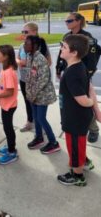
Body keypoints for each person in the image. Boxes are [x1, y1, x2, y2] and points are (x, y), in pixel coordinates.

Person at [57, 34, 95, 186]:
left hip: (75, 119)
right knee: (77, 144)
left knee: (74, 146)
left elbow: (83, 100)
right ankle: (83, 161)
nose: (61, 48)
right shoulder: (78, 65)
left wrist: (91, 102)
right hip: (75, 116)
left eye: (64, 47)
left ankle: (77, 176)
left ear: (74, 53)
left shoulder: (73, 72)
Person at [56, 12, 99, 143]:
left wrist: (87, 76)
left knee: (84, 102)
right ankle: (75, 122)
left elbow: (92, 60)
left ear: (78, 21)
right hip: (69, 72)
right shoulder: (67, 36)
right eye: (66, 21)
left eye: (69, 21)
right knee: (72, 103)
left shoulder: (87, 38)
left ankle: (93, 129)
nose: (66, 23)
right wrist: (59, 68)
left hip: (81, 76)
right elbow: (61, 53)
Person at [25, 35, 60, 154]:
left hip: (42, 95)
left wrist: (32, 94)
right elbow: (30, 76)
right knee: (35, 117)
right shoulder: (30, 56)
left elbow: (43, 80)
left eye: (27, 44)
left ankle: (54, 142)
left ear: (34, 45)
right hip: (33, 94)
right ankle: (39, 138)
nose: (25, 46)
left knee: (41, 118)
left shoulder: (40, 58)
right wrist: (29, 92)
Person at [17, 22, 52, 132]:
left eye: (26, 31)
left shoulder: (41, 44)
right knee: (27, 101)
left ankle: (40, 125)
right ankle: (29, 122)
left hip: (37, 82)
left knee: (37, 104)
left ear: (34, 32)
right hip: (24, 79)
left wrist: (25, 63)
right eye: (22, 32)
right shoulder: (22, 46)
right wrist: (20, 62)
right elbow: (17, 59)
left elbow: (48, 62)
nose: (23, 34)